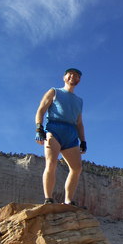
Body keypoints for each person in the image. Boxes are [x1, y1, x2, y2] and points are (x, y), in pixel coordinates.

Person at [35, 68, 87, 205]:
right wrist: (39, 128)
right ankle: (48, 198)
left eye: (76, 75)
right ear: (64, 77)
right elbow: (41, 109)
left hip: (71, 133)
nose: (73, 77)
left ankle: (68, 200)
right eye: (70, 74)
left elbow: (79, 123)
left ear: (79, 80)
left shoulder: (79, 101)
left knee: (77, 168)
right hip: (54, 128)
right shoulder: (54, 92)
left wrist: (83, 141)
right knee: (51, 163)